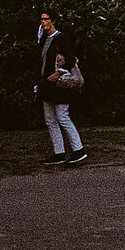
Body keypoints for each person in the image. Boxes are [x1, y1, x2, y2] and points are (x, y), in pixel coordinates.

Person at [35, 9, 86, 165]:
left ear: (53, 21)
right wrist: (37, 87)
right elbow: (40, 64)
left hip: (59, 85)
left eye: (46, 19)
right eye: (41, 19)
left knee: (62, 116)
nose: (43, 22)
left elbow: (71, 59)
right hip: (47, 85)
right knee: (50, 119)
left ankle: (78, 150)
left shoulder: (61, 39)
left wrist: (59, 73)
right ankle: (59, 152)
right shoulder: (43, 40)